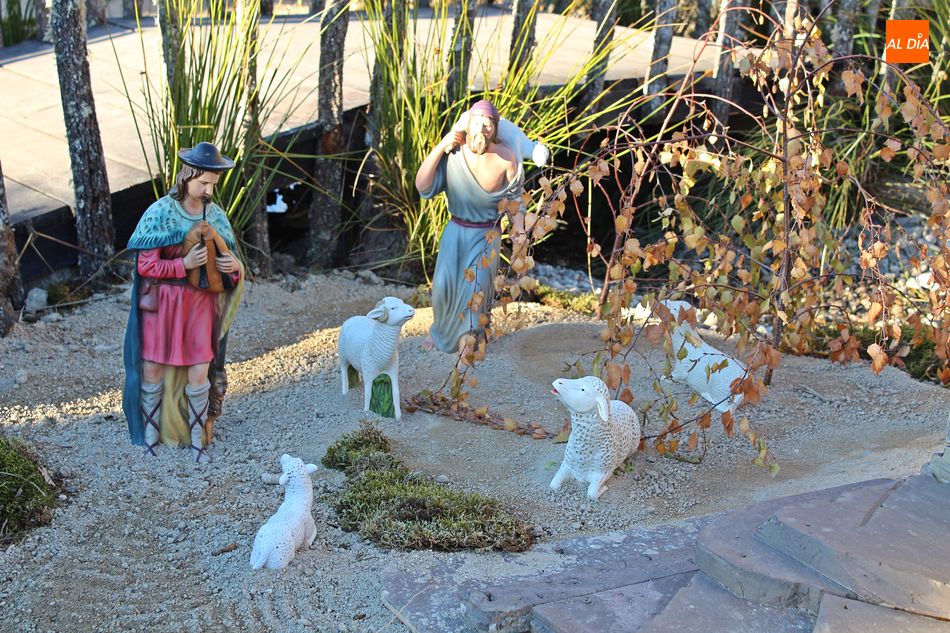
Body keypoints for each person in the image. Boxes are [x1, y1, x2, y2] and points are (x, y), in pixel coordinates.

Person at [122, 142, 244, 463]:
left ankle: (197, 438)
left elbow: (230, 269)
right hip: (163, 306)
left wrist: (232, 267)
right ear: (187, 177)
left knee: (199, 371)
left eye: (213, 185)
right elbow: (146, 266)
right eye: (203, 183)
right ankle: (151, 434)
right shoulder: (160, 213)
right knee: (152, 369)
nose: (208, 191)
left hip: (200, 307)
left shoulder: (215, 216)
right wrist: (183, 265)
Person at [415, 99, 527, 355]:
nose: (482, 130)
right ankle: (440, 330)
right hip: (455, 233)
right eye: (477, 124)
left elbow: (515, 201)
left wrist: (519, 232)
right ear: (468, 125)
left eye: (488, 125)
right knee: (442, 288)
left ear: (495, 129)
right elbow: (422, 186)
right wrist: (441, 146)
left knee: (476, 288)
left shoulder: (506, 158)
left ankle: (470, 337)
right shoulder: (454, 154)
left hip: (486, 236)